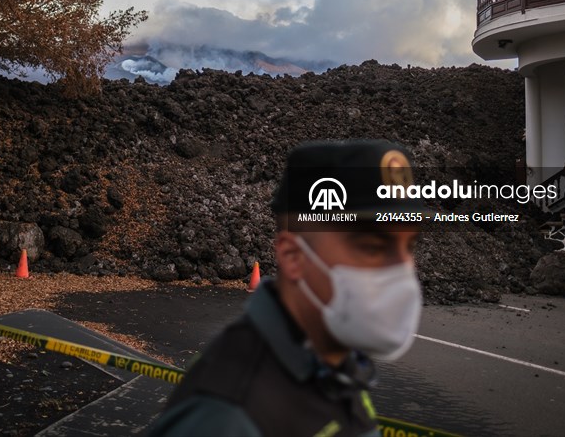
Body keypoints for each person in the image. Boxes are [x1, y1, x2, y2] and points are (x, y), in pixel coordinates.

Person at [146, 140, 431, 437]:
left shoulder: (336, 366)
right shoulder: (229, 416)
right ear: (294, 257)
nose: (404, 269)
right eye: (373, 247)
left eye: (409, 246)